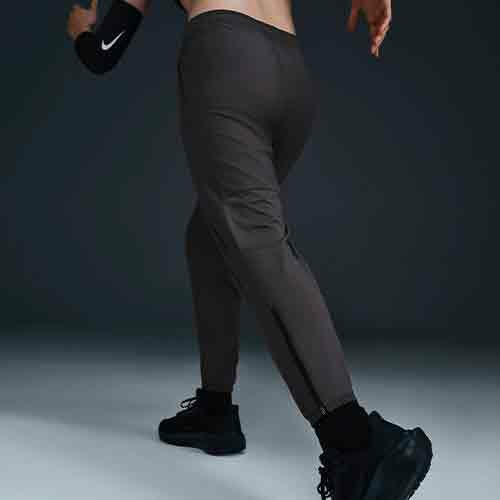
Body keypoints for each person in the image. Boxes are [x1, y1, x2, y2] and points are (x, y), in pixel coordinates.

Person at [66, 1, 433, 499]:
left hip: (227, 61)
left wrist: (81, 31)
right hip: (289, 73)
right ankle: (214, 410)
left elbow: (105, 51)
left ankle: (356, 446)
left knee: (256, 241)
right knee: (209, 233)